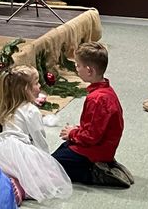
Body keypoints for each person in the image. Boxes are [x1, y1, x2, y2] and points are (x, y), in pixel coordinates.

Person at [53, 41, 133, 187]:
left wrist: (73, 134)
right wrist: (75, 131)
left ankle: (95, 173)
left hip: (96, 149)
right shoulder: (106, 90)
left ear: (89, 71)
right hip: (103, 146)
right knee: (63, 150)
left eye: (78, 65)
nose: (76, 68)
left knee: (53, 165)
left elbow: (91, 137)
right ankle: (105, 163)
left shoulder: (96, 99)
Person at [0, 65, 72, 202]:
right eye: (36, 83)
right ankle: (21, 188)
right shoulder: (31, 110)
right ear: (26, 89)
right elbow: (38, 138)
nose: (40, 85)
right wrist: (47, 162)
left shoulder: (7, 105)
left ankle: (8, 181)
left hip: (2, 150)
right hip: (20, 149)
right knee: (45, 181)